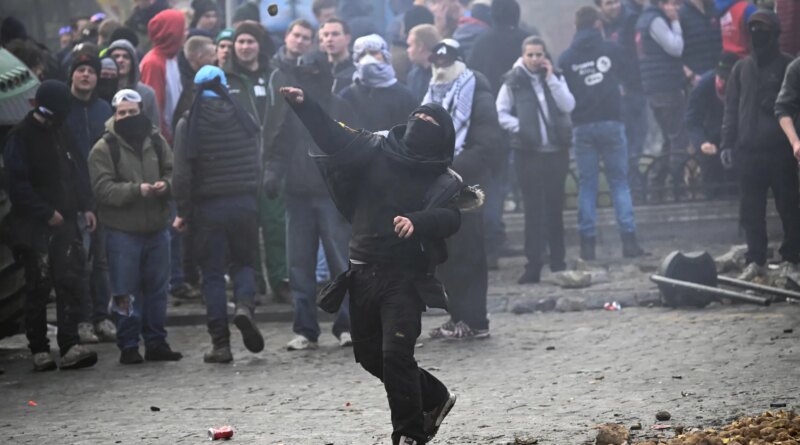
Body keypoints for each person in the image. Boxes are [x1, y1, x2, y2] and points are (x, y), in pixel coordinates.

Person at [280, 84, 470, 445]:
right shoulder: (375, 149)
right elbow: (334, 137)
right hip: (362, 271)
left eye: (432, 121)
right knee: (370, 356)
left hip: (405, 278)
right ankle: (435, 397)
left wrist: (419, 221)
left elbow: (451, 219)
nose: (422, 122)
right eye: (418, 116)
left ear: (442, 137)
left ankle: (408, 434)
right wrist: (306, 106)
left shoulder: (442, 178)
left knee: (396, 354)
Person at [3, 80, 99, 371]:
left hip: (66, 221)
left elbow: (75, 169)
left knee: (68, 282)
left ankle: (69, 345)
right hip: (35, 227)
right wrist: (45, 213)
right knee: (38, 286)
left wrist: (86, 205)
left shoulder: (60, 130)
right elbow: (16, 184)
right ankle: (40, 349)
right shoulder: (21, 137)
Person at [172, 66, 265, 363]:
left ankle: (221, 345)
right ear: (225, 85)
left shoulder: (189, 123)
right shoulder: (243, 117)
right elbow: (257, 161)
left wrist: (183, 212)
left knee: (212, 274)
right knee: (245, 263)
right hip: (244, 204)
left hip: (207, 209)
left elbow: (182, 175)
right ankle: (244, 307)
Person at [264, 55, 357, 351]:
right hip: (297, 197)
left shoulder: (339, 105)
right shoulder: (292, 110)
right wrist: (272, 174)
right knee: (299, 266)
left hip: (331, 196)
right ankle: (305, 329)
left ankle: (348, 325)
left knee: (340, 264)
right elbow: (279, 146)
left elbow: (353, 144)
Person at [88, 89, 182, 364]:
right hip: (122, 233)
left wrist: (166, 186)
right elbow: (102, 190)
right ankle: (128, 344)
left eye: (133, 112)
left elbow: (173, 171)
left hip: (156, 229)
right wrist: (135, 190)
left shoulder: (157, 140)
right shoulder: (103, 148)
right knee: (123, 291)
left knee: (157, 290)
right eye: (122, 113)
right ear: (115, 115)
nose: (128, 117)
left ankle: (156, 342)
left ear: (141, 111)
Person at [423, 39, 498, 339]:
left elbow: (487, 143)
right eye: (436, 60)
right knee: (446, 256)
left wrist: (450, 168)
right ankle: (456, 316)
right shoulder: (431, 91)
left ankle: (475, 319)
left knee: (469, 253)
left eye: (446, 61)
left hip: (467, 186)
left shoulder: (476, 90)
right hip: (438, 186)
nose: (441, 66)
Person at [560, 6, 645, 260]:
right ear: (598, 24)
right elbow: (632, 77)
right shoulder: (612, 49)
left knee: (587, 185)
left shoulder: (566, 58)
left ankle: (588, 246)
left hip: (582, 125)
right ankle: (629, 242)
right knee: (620, 182)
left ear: (576, 26)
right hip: (611, 122)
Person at [723, 11, 800, 280]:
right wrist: (727, 143)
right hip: (748, 152)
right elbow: (731, 109)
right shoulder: (741, 69)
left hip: (780, 152)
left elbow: (793, 107)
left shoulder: (788, 66)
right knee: (750, 211)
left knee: (789, 208)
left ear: (775, 32)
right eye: (753, 28)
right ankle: (756, 260)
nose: (757, 33)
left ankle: (792, 259)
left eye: (763, 29)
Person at [497, 36, 575, 284]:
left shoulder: (555, 76)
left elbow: (568, 104)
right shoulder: (513, 80)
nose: (534, 59)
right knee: (533, 210)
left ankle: (558, 260)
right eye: (530, 54)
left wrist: (551, 79)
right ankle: (533, 264)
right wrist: (521, 127)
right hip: (528, 153)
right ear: (523, 55)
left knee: (555, 207)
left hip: (555, 152)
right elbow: (501, 111)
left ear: (545, 56)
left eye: (539, 54)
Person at [224, 20, 290, 303]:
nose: (245, 47)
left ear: (259, 45)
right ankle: (253, 285)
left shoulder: (276, 76)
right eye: (240, 42)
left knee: (276, 226)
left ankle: (281, 280)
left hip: (273, 163)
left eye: (250, 41)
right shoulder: (225, 79)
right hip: (239, 166)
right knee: (245, 230)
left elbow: (287, 119)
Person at [63, 53, 115, 344]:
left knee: (102, 262)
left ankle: (101, 316)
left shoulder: (103, 109)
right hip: (73, 198)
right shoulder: (64, 110)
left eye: (91, 71)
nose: (86, 75)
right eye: (80, 70)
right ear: (72, 74)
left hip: (102, 196)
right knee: (80, 262)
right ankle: (81, 319)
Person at [636, 0, 691, 200]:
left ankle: (656, 187)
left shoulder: (644, 17)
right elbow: (675, 47)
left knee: (669, 139)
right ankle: (677, 188)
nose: (675, 7)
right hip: (665, 86)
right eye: (672, 3)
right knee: (678, 138)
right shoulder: (655, 20)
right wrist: (675, 22)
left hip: (655, 86)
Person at [685, 52, 739, 198]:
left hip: (737, 140)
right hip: (710, 140)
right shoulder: (703, 86)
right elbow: (692, 120)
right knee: (713, 184)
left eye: (728, 79)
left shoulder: (745, 86)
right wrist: (701, 142)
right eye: (721, 77)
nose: (723, 82)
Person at [340, 34, 418, 132]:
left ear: (385, 56)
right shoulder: (347, 96)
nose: (368, 59)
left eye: (373, 53)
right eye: (362, 54)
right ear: (356, 59)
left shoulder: (405, 96)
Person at [107, 39, 161, 158]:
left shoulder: (147, 93)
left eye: (126, 57)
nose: (120, 60)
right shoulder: (101, 92)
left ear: (133, 62)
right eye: (116, 56)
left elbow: (155, 129)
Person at [139, 8, 185, 142]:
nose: (185, 34)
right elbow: (155, 109)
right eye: (182, 30)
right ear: (172, 33)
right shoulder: (154, 63)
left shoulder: (172, 58)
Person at [680, 0, 722, 81]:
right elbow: (675, 55)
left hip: (719, 78)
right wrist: (691, 76)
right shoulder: (681, 14)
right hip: (696, 81)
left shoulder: (715, 10)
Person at [406, 24, 441, 103]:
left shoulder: (445, 73)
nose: (408, 50)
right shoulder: (413, 75)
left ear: (420, 46)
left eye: (410, 45)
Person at [319, 19, 355, 94]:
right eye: (326, 35)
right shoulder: (317, 68)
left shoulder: (358, 68)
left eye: (335, 34)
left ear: (347, 38)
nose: (329, 39)